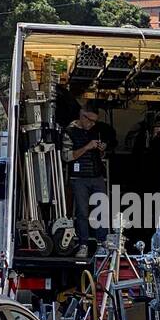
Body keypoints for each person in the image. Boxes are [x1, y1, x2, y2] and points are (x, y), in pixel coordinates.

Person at [62, 101, 109, 262]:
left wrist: (101, 151)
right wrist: (87, 147)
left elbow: (102, 156)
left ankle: (102, 243)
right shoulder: (69, 131)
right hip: (78, 178)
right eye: (90, 120)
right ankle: (83, 244)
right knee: (82, 212)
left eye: (94, 121)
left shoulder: (97, 130)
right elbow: (66, 156)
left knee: (101, 210)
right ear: (82, 115)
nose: (92, 124)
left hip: (96, 175)